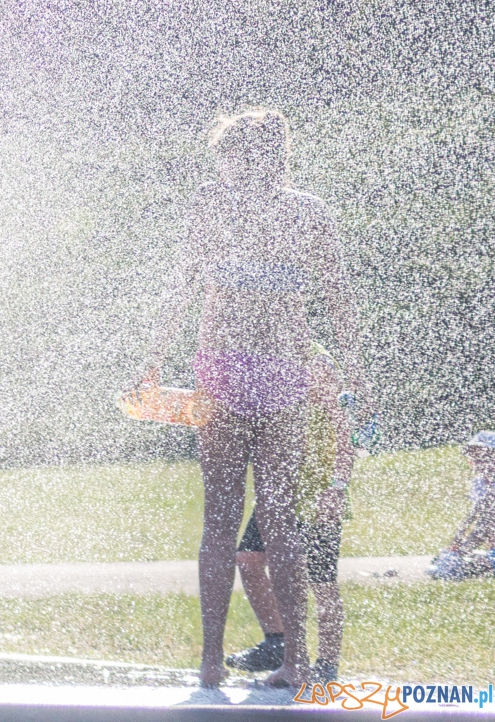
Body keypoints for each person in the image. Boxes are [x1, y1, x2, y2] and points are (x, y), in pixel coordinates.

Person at [133, 108, 374, 689]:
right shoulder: (309, 213)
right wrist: (358, 370)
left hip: (223, 370)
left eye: (227, 156)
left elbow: (183, 282)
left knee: (220, 518)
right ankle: (294, 661)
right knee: (280, 517)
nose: (224, 168)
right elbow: (339, 300)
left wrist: (153, 356)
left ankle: (211, 663)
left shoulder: (212, 205)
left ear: (238, 157)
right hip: (284, 372)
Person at [226, 342, 356, 684]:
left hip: (316, 499)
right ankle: (277, 643)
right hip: (276, 495)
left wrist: (337, 487)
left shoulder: (314, 356)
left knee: (320, 583)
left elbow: (346, 437)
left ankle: (327, 665)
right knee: (248, 559)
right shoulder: (264, 356)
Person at [427, 430, 495, 581]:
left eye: (484, 455)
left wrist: (462, 550)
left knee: (462, 569)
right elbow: (474, 515)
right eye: (474, 456)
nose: (477, 460)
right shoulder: (481, 482)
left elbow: (485, 525)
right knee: (452, 565)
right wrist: (454, 546)